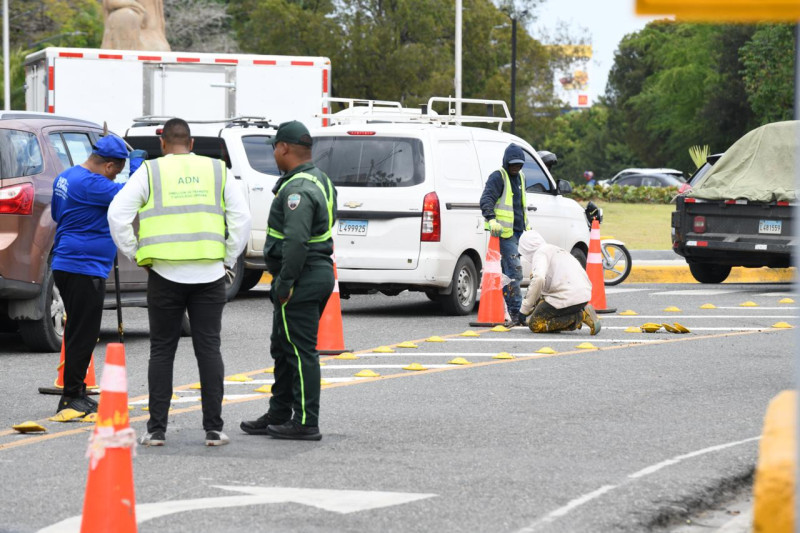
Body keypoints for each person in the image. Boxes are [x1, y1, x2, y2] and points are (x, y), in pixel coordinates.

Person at [108, 118, 250, 447]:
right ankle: (214, 429)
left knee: (161, 352)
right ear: (192, 144)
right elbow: (241, 219)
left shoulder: (151, 172)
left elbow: (117, 214)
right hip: (209, 276)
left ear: (163, 143)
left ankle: (156, 430)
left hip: (164, 276)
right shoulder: (217, 170)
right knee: (209, 350)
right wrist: (227, 258)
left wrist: (137, 254)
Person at [240, 120, 336, 441]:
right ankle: (279, 412)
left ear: (283, 148)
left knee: (299, 350)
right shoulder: (320, 179)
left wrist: (283, 283)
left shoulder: (296, 189)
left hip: (301, 277)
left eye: (274, 148)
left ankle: (306, 421)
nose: (274, 154)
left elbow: (296, 241)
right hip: (316, 272)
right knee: (283, 347)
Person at [51, 135, 129, 418]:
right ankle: (72, 396)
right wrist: (140, 171)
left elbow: (59, 215)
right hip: (83, 266)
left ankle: (76, 392)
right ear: (109, 165)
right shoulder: (93, 184)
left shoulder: (67, 176)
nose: (115, 177)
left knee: (76, 332)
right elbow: (128, 197)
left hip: (68, 261)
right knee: (83, 334)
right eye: (117, 172)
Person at [480, 143, 529, 325]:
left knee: (507, 273)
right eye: (513, 164)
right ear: (506, 162)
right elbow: (486, 199)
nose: (516, 167)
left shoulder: (521, 177)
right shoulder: (498, 177)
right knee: (514, 272)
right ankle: (516, 313)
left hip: (518, 232)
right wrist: (491, 219)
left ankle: (512, 311)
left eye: (519, 164)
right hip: (504, 234)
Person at [518, 230, 600, 335]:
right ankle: (579, 311)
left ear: (526, 249)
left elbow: (538, 279)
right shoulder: (555, 249)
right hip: (583, 294)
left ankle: (579, 316)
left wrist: (524, 309)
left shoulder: (540, 253)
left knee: (535, 323)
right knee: (543, 308)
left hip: (568, 296)